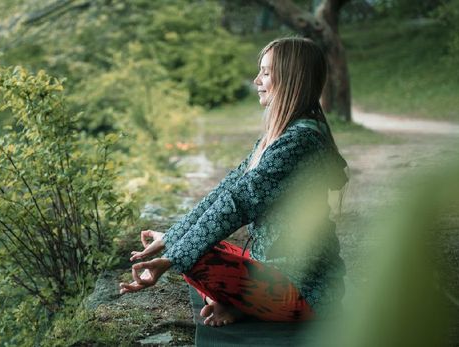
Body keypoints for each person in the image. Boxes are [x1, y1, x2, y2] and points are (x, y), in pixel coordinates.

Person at [119, 37, 349, 327]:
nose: (256, 80)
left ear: (292, 78)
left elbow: (236, 205)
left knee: (194, 259)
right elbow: (227, 189)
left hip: (305, 289)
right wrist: (171, 237)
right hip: (271, 269)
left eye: (266, 72)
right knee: (196, 248)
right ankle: (239, 304)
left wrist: (170, 259)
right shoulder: (277, 137)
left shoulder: (298, 142)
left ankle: (243, 305)